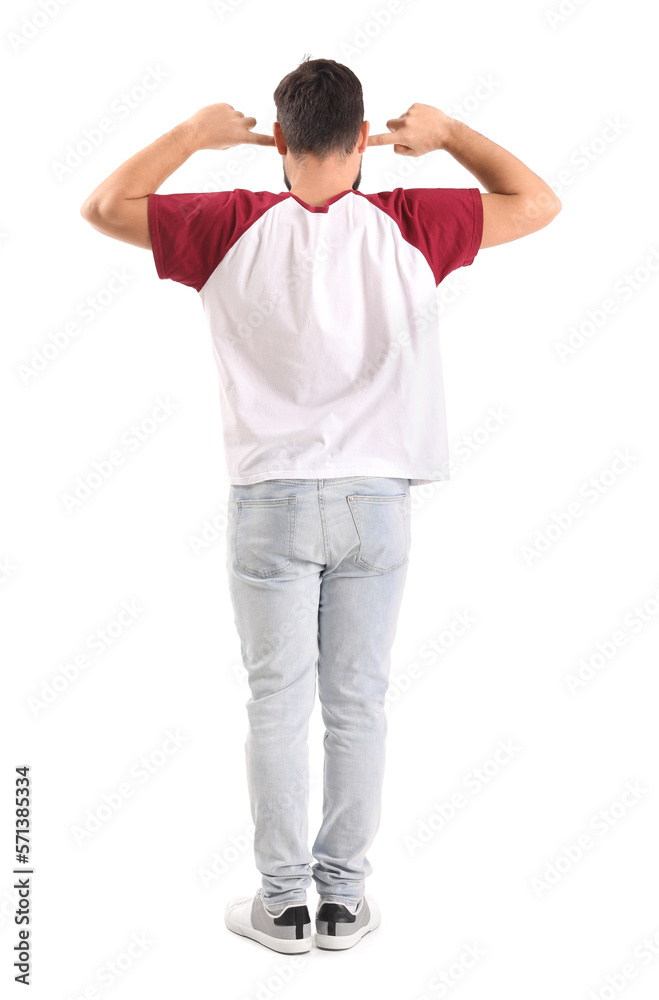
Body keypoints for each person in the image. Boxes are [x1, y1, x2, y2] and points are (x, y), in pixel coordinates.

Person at [80, 55, 561, 955]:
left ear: (281, 140)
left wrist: (191, 134)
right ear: (363, 139)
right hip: (378, 501)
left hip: (270, 500)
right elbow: (537, 203)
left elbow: (104, 208)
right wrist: (449, 135)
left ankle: (282, 905)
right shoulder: (412, 220)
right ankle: (341, 901)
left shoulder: (227, 222)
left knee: (276, 704)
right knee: (358, 704)